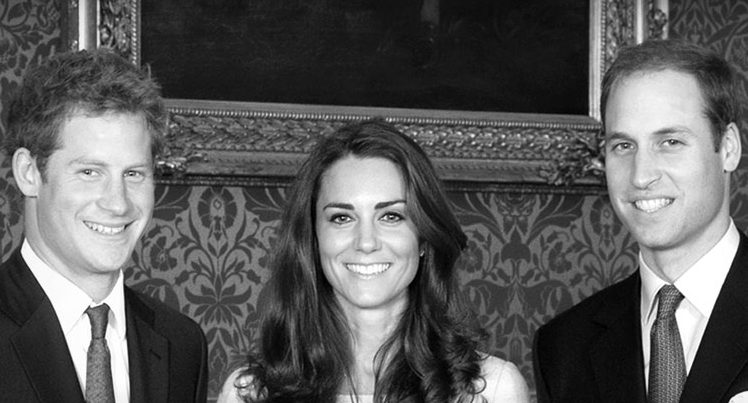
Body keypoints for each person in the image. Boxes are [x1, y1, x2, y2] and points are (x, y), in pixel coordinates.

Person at [218, 120, 529, 402]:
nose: (366, 242)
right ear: (313, 238)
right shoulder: (248, 394)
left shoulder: (494, 389)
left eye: (391, 216)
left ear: (424, 237)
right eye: (342, 218)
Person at [533, 39, 747, 402]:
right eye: (623, 146)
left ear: (728, 148)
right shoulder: (564, 348)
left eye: (670, 142)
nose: (641, 175)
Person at [0, 48, 208, 402]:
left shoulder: (182, 344)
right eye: (90, 172)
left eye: (134, 174)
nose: (118, 203)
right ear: (29, 173)